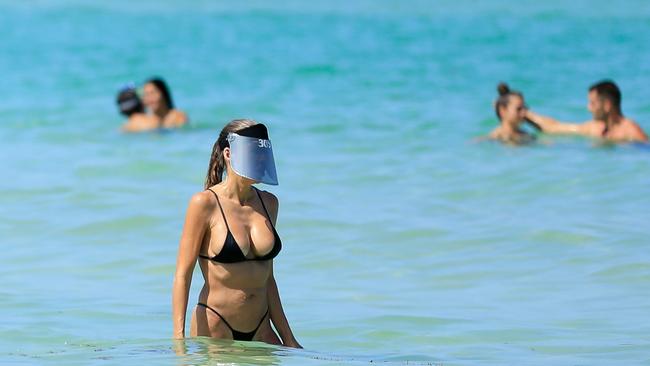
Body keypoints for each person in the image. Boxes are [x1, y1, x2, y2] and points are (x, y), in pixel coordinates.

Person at [172, 119, 301, 348]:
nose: (261, 159)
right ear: (229, 154)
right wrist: (179, 341)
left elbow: (268, 279)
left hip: (261, 327)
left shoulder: (269, 203)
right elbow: (183, 274)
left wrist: (288, 338)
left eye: (263, 152)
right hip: (215, 326)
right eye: (254, 152)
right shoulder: (204, 203)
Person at [525, 80, 648, 143]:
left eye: (593, 103)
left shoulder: (631, 132)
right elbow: (554, 127)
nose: (589, 108)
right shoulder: (594, 128)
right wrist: (526, 114)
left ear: (607, 105)